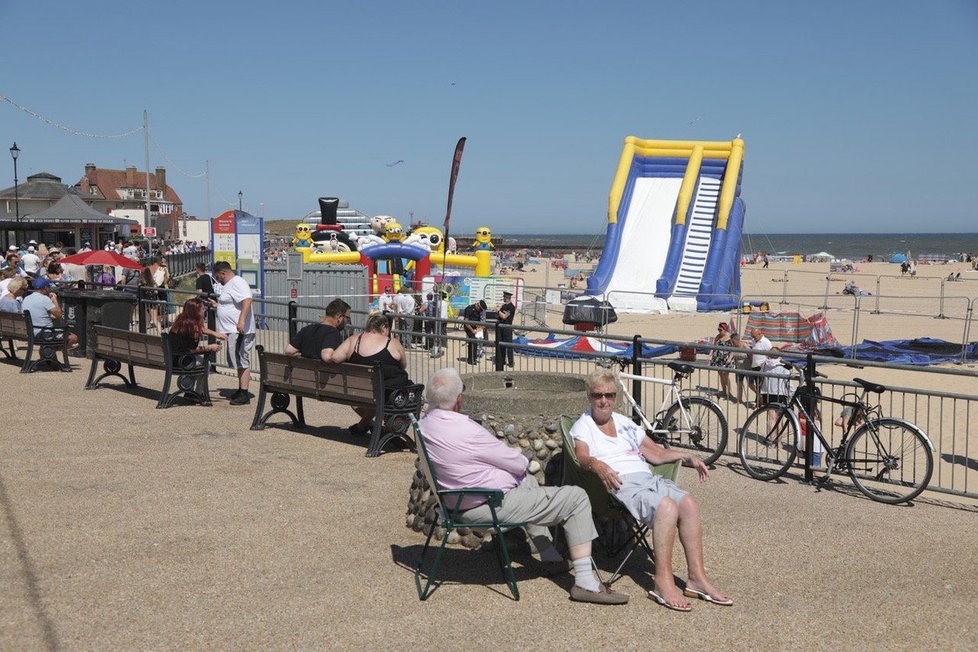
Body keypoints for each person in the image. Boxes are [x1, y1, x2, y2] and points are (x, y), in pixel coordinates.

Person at [420, 367, 627, 605]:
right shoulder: (466, 431)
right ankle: (585, 583)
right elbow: (518, 462)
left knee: (526, 482)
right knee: (576, 497)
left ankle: (550, 557)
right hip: (485, 505)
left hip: (454, 501)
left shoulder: (426, 425)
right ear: (459, 399)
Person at [571, 368, 731, 611]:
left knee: (688, 503)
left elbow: (655, 454)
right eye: (597, 395)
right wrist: (598, 465)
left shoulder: (626, 423)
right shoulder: (584, 425)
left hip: (647, 478)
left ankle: (697, 578)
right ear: (589, 396)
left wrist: (688, 458)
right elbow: (581, 456)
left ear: (616, 397)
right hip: (620, 484)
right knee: (666, 507)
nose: (604, 401)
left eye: (609, 395)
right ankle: (662, 582)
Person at [331, 313, 411, 435]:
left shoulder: (353, 340)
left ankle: (362, 426)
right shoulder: (392, 343)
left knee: (361, 401)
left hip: (358, 391)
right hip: (388, 394)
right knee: (413, 392)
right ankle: (391, 431)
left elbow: (335, 358)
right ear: (384, 327)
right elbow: (403, 365)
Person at [212, 261, 255, 406]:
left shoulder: (237, 282)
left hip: (240, 330)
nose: (218, 280)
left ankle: (244, 392)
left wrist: (241, 321)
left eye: (218, 277)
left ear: (223, 273)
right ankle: (241, 389)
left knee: (241, 357)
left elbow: (247, 300)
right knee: (237, 358)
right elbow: (232, 303)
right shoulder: (230, 285)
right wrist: (218, 305)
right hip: (233, 329)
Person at [284, 298, 351, 363]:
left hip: (302, 371)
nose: (347, 321)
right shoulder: (333, 333)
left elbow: (288, 351)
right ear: (339, 317)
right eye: (347, 318)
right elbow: (326, 356)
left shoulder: (307, 329)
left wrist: (301, 355)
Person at [21, 278, 79, 348]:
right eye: (49, 287)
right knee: (73, 337)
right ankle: (50, 352)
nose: (50, 289)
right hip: (44, 334)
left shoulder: (26, 298)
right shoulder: (44, 299)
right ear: (45, 288)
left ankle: (48, 353)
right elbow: (59, 315)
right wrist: (55, 300)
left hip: (30, 332)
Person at [168, 297, 226, 364]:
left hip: (172, 358)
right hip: (182, 361)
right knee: (206, 363)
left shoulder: (182, 321)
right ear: (196, 312)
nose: (204, 311)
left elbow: (202, 329)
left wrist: (215, 334)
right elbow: (191, 350)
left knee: (201, 359)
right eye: (202, 309)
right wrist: (210, 347)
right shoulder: (193, 329)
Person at [711, 323, 735, 399]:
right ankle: (724, 391)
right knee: (721, 375)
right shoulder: (718, 337)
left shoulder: (729, 338)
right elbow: (714, 347)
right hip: (718, 359)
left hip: (726, 359)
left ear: (725, 330)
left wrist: (730, 358)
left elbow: (733, 349)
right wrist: (710, 356)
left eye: (720, 330)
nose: (719, 331)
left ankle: (729, 392)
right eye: (718, 329)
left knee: (726, 375)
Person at [749, 327, 772, 404]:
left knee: (760, 386)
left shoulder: (766, 342)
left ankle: (759, 402)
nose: (753, 338)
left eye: (754, 336)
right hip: (754, 365)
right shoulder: (753, 341)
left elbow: (771, 355)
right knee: (751, 384)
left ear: (759, 334)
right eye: (752, 336)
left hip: (761, 366)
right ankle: (759, 399)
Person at [462, 299, 487, 365]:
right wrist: (472, 330)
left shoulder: (478, 310)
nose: (480, 311)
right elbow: (466, 322)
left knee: (476, 342)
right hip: (469, 327)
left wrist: (482, 327)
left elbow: (478, 320)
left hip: (476, 327)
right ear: (478, 306)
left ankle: (474, 358)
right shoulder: (469, 309)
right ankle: (471, 359)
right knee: (473, 341)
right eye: (480, 309)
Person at [496, 290, 516, 367]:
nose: (503, 298)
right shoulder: (503, 306)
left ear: (507, 298)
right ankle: (502, 360)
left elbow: (504, 316)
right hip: (501, 327)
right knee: (501, 345)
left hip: (507, 328)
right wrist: (498, 312)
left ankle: (511, 362)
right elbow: (498, 316)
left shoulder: (511, 307)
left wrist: (498, 311)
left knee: (508, 345)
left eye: (504, 297)